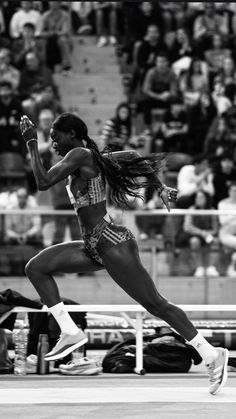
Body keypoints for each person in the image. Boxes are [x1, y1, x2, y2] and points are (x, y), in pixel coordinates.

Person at [20, 113, 228, 395]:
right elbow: (131, 154)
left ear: (72, 135)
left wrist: (32, 142)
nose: (53, 143)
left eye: (56, 138)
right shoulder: (89, 156)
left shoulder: (80, 154)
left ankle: (211, 355)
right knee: (36, 267)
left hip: (110, 241)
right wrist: (161, 186)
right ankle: (70, 331)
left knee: (156, 304)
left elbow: (43, 182)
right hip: (93, 244)